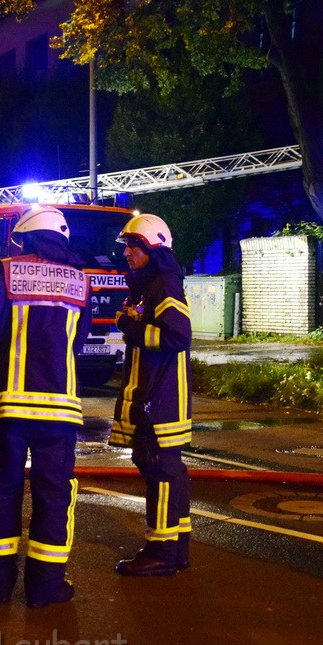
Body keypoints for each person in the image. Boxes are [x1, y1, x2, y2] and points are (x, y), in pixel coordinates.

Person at [0, 206, 91, 608]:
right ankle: (46, 586)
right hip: (60, 410)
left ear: (27, 238)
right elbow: (78, 342)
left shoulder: (4, 272)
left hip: (10, 407)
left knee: (2, 488)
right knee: (54, 494)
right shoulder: (81, 281)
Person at [110, 213, 193, 576]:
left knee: (160, 469)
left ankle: (161, 550)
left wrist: (133, 327)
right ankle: (178, 547)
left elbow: (177, 337)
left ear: (152, 249)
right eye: (126, 246)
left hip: (161, 399)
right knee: (165, 468)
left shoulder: (164, 284)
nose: (126, 252)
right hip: (154, 395)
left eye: (133, 246)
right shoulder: (149, 285)